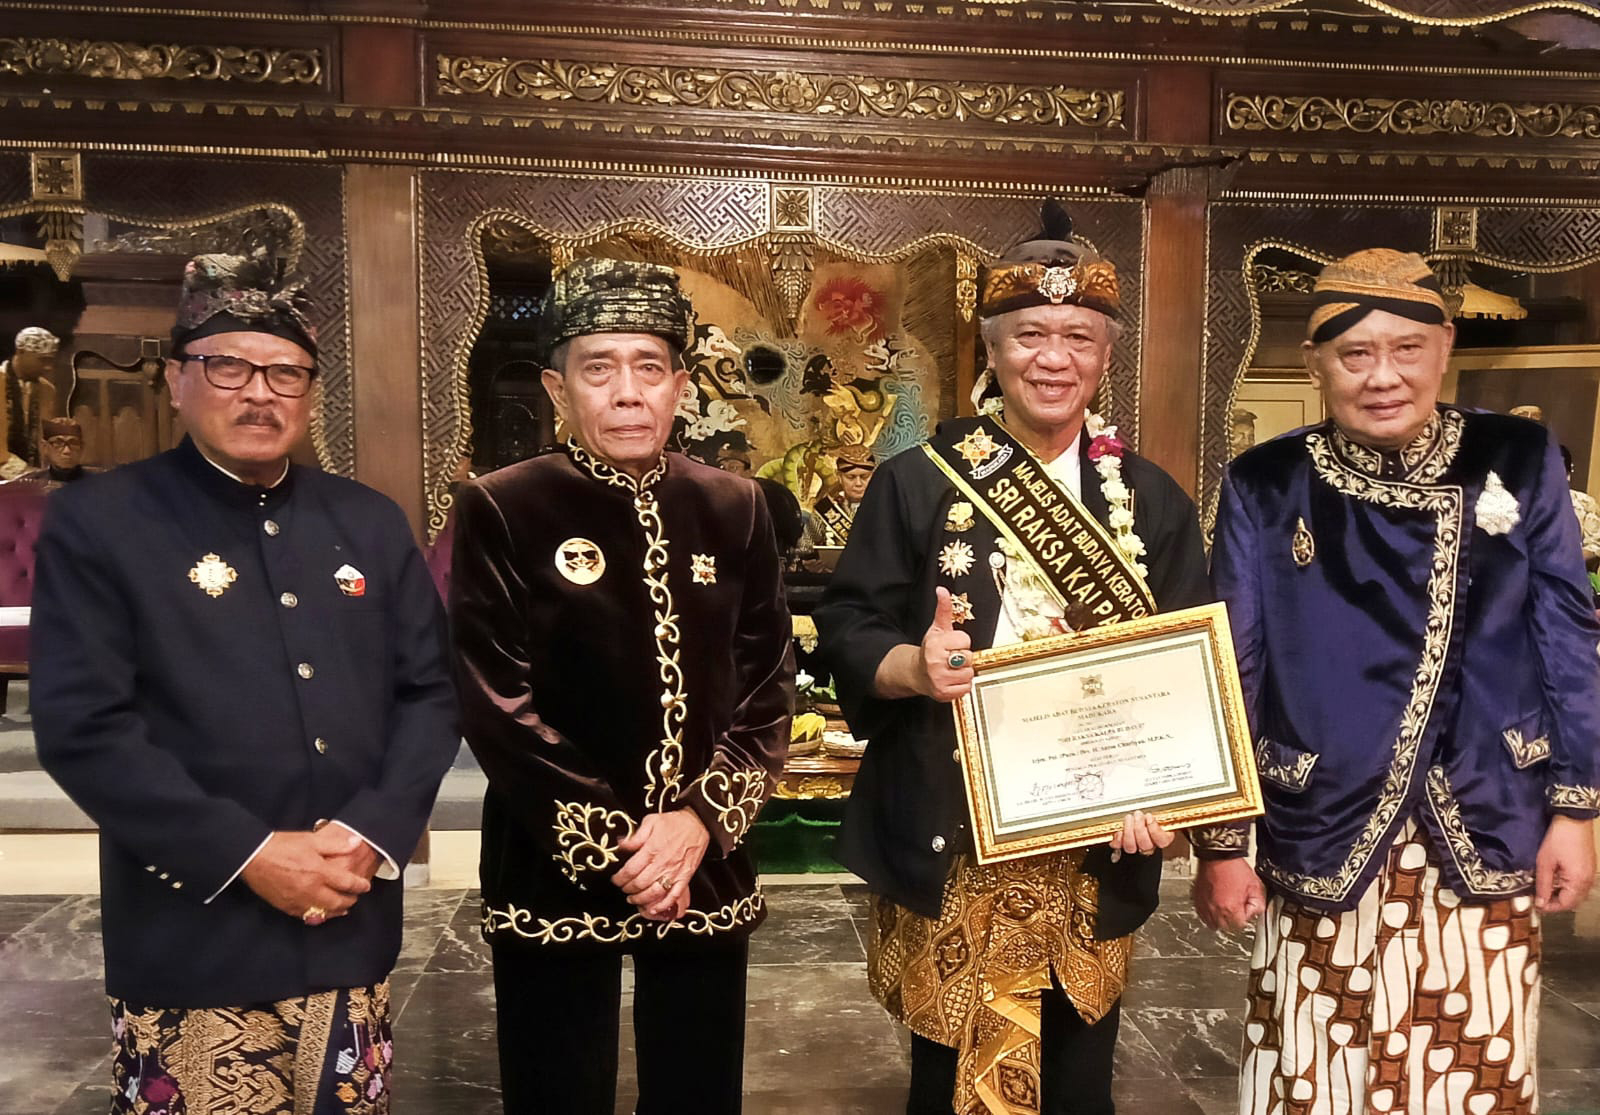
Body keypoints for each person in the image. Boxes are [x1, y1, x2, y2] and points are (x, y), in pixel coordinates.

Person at [31, 250, 460, 1113]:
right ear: (177, 381)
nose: (259, 393)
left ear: (309, 393)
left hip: (346, 912)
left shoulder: (367, 522)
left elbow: (430, 690)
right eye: (228, 366)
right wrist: (250, 852)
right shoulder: (101, 522)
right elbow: (85, 725)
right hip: (191, 924)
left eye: (286, 373)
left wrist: (369, 834)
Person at [815, 203, 1210, 1115]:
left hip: (1095, 843)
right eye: (1030, 333)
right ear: (992, 351)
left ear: (1105, 354)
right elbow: (848, 624)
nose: (1054, 356)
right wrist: (913, 667)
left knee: (1078, 1082)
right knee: (947, 1082)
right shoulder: (916, 481)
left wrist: (1172, 795)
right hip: (957, 835)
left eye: (1078, 335)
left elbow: (1193, 664)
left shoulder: (1149, 499)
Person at [1197, 248, 1600, 1115]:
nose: (1384, 377)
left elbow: (1567, 632)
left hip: (1487, 807)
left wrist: (1577, 808)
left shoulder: (1518, 456)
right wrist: (1225, 845)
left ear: (1444, 346)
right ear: (1314, 363)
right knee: (1309, 1072)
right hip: (1321, 814)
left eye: (1406, 350)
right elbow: (1235, 663)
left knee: (1473, 1068)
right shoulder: (1266, 482)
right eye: (1355, 355)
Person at [450, 257, 794, 1114]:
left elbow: (768, 677)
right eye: (598, 368)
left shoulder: (737, 504)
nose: (627, 392)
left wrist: (699, 821)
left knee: (698, 1087)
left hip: (701, 856)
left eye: (649, 367)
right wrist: (623, 848)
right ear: (557, 386)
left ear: (680, 383)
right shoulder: (503, 505)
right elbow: (497, 699)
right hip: (552, 854)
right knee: (557, 1085)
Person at [1, 325, 61, 479]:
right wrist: (25, 472)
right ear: (21, 352)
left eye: (50, 360)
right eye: (42, 359)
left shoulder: (47, 390)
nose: (48, 367)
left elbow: (45, 442)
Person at [804, 442, 875, 547]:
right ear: (839, 477)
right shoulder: (826, 508)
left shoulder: (886, 508)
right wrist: (812, 560)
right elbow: (804, 548)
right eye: (851, 477)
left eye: (864, 477)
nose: (858, 483)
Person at [7, 416, 96, 491]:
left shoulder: (99, 483)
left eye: (73, 443)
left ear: (82, 448)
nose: (67, 451)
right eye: (58, 443)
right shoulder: (28, 485)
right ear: (45, 447)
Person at [1559, 444, 1600, 570]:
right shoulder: (1523, 504)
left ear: (1569, 471)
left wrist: (1569, 561)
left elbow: (1595, 544)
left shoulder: (1585, 504)